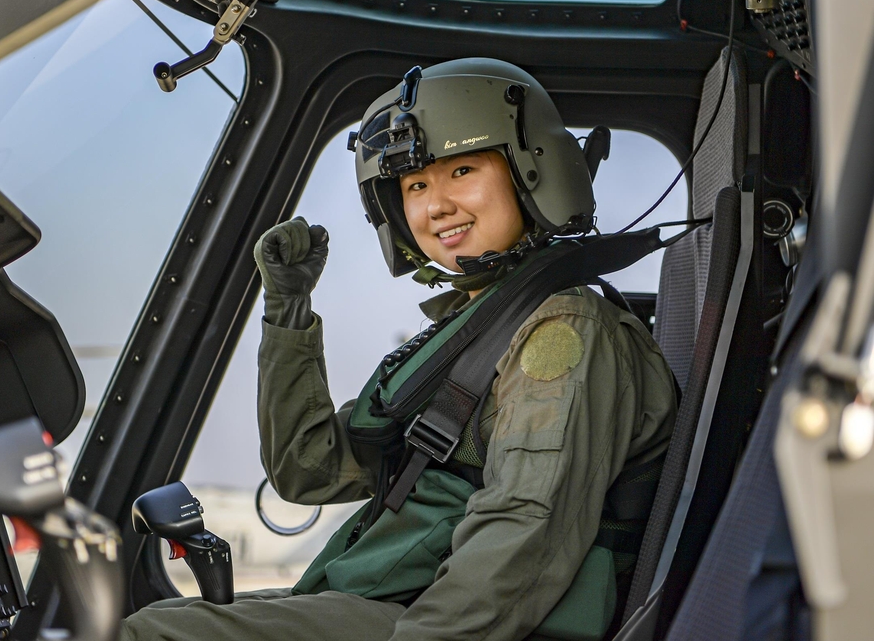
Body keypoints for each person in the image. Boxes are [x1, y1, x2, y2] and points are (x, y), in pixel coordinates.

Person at [121, 58, 677, 641]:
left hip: (434, 616)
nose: (436, 205)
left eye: (462, 169)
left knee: (152, 636)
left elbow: (526, 528)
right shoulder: (477, 328)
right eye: (415, 185)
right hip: (398, 599)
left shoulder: (563, 331)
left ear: (531, 169)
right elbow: (307, 471)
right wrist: (288, 308)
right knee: (163, 622)